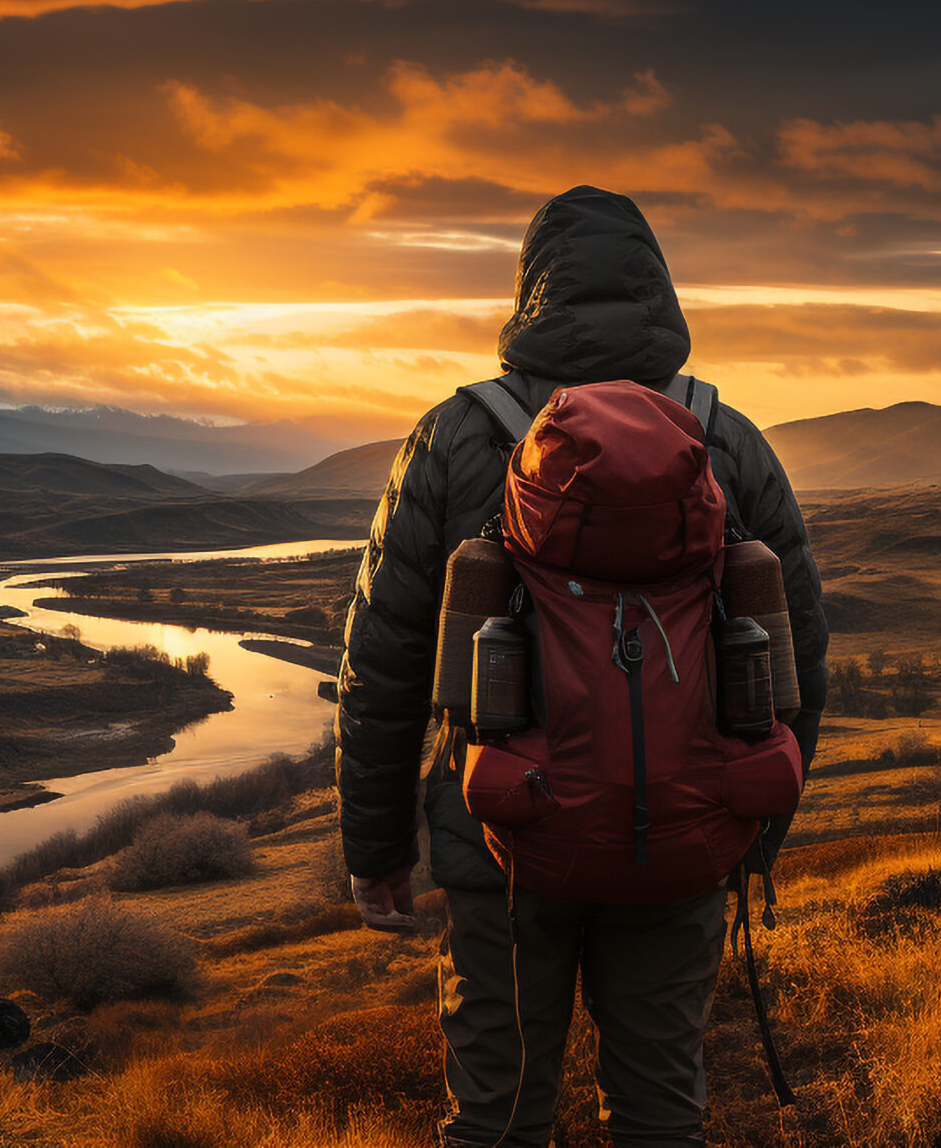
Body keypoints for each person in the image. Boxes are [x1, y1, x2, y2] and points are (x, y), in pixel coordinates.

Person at [336, 185, 830, 1147]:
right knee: (659, 1112)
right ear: (659, 292)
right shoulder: (726, 441)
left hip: (497, 839)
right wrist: (749, 838)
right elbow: (797, 656)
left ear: (531, 292)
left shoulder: (454, 437)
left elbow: (383, 660)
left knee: (498, 1114)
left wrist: (377, 849)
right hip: (685, 841)